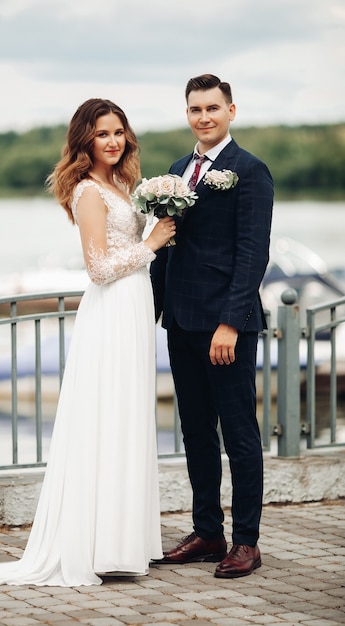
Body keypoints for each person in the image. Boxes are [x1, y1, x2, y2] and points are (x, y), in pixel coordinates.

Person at [0, 98, 176, 587]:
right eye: (103, 133)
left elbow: (126, 247)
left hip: (134, 308)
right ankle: (93, 542)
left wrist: (162, 217)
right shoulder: (87, 191)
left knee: (127, 415)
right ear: (85, 139)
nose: (113, 141)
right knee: (105, 415)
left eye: (119, 132)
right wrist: (151, 244)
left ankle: (121, 542)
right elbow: (98, 269)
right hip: (110, 310)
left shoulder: (123, 185)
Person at [150, 74, 273, 578]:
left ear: (231, 111)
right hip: (181, 321)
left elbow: (252, 254)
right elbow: (169, 243)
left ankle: (246, 541)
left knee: (239, 433)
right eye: (195, 109)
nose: (204, 117)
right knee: (196, 431)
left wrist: (232, 323)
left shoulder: (249, 171)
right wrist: (152, 311)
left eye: (213, 108)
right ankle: (206, 531)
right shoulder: (179, 170)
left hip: (226, 327)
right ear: (187, 114)